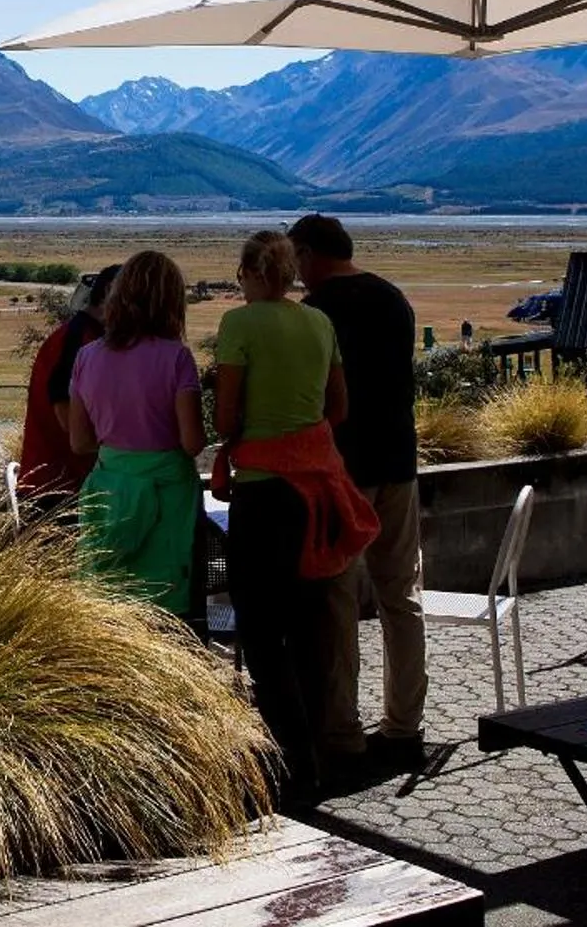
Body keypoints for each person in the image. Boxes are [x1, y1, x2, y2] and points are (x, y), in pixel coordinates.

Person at [214, 230, 380, 805]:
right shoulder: (318, 323)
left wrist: (255, 436)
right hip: (318, 493)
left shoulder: (240, 326)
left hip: (264, 494)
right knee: (310, 629)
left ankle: (285, 759)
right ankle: (315, 755)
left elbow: (226, 418)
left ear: (250, 273)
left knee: (260, 631)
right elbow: (339, 408)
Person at [291, 213, 426, 763]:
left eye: (296, 258)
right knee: (401, 597)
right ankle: (403, 725)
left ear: (308, 254)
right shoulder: (394, 300)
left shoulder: (317, 313)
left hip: (342, 472)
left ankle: (342, 729)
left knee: (338, 600)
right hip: (399, 462)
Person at [67, 251, 204, 614]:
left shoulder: (87, 357)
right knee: (165, 610)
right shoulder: (177, 359)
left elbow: (79, 442)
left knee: (106, 603)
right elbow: (192, 443)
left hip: (108, 492)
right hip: (167, 501)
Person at [16, 263, 120, 511]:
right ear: (110, 292)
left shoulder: (83, 337)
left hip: (68, 484)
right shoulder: (77, 343)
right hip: (58, 489)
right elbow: (70, 423)